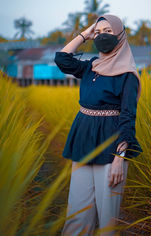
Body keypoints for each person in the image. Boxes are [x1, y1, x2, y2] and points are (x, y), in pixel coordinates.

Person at [54, 14, 143, 236]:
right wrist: (85, 34)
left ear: (121, 37)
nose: (102, 36)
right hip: (83, 140)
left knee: (107, 220)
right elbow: (62, 59)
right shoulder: (90, 66)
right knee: (77, 213)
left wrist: (119, 159)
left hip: (110, 144)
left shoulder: (128, 75)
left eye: (108, 32)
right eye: (99, 32)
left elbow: (127, 117)